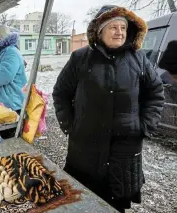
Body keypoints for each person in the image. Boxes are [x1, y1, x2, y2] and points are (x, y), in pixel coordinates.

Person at [52, 5, 165, 213]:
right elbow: (60, 93)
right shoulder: (80, 58)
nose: (119, 32)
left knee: (116, 204)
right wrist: (70, 125)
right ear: (100, 30)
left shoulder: (139, 59)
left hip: (124, 149)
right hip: (85, 147)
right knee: (82, 201)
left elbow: (156, 93)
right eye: (113, 27)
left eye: (123, 27)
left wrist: (144, 125)